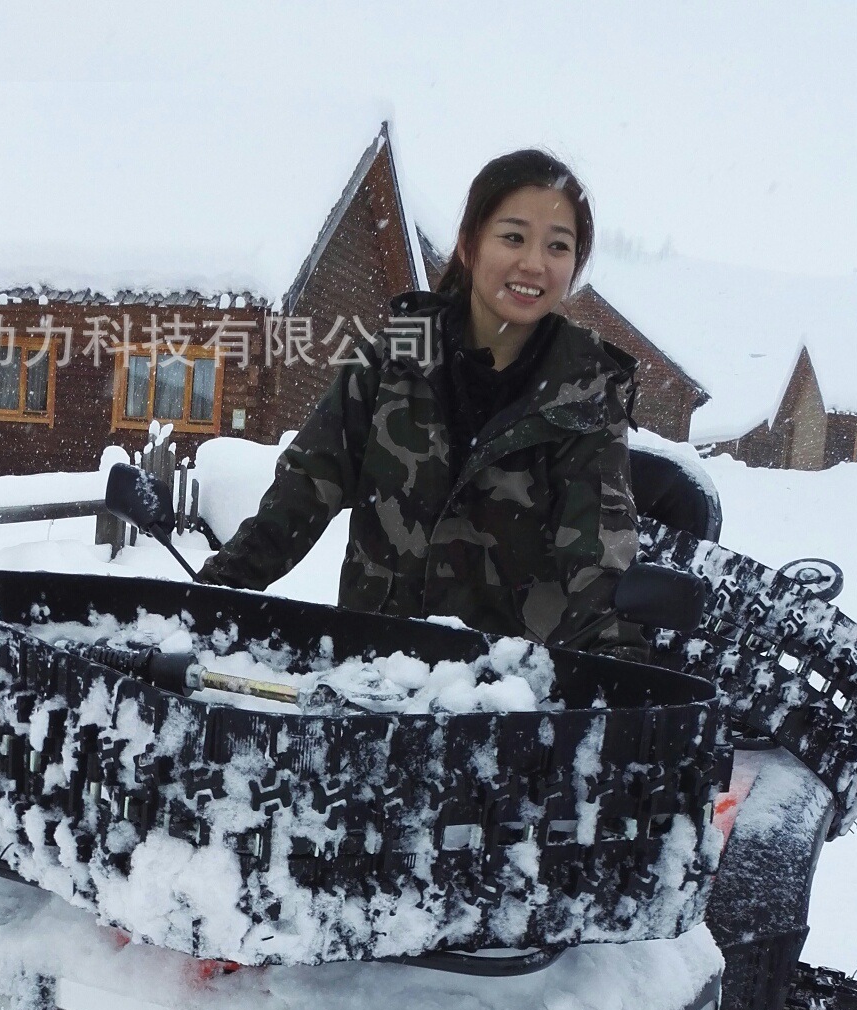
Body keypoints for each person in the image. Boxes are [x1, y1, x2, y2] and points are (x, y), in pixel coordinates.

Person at [198, 148, 646, 655]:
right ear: (469, 244)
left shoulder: (586, 392)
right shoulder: (394, 358)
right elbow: (303, 491)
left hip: (508, 684)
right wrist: (211, 597)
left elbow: (598, 556)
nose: (534, 263)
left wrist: (619, 666)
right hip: (371, 667)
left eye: (558, 246)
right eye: (513, 237)